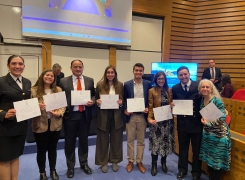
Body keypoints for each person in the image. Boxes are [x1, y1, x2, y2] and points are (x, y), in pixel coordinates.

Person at [59, 59, 95, 178]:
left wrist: (93, 101)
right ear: (71, 68)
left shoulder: (89, 80)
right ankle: (70, 166)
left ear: (83, 68)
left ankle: (84, 164)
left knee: (84, 141)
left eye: (80, 67)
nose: (78, 69)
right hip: (70, 116)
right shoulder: (63, 81)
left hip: (85, 115)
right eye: (75, 67)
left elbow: (94, 95)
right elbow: (60, 98)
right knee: (69, 142)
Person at [0, 55, 31, 180]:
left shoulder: (27, 82)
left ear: (24, 66)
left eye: (20, 64)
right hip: (4, 128)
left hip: (21, 127)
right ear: (8, 66)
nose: (17, 66)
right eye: (14, 63)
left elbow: (26, 100)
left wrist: (35, 105)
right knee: (4, 159)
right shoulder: (1, 82)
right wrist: (3, 114)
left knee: (16, 155)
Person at [31, 69, 66, 180]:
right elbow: (28, 107)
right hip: (40, 124)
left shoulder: (58, 89)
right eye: (47, 75)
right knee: (41, 150)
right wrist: (37, 106)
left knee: (52, 149)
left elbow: (63, 106)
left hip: (55, 124)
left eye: (51, 76)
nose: (49, 77)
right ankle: (42, 172)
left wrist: (59, 113)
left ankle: (53, 170)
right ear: (42, 76)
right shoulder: (34, 90)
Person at [171, 66, 203, 180]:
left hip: (197, 124)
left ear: (189, 74)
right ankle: (182, 170)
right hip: (183, 124)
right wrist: (172, 106)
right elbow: (172, 102)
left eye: (185, 74)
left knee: (196, 149)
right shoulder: (174, 88)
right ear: (178, 76)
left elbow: (207, 100)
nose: (183, 77)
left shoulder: (199, 86)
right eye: (181, 75)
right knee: (183, 149)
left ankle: (196, 172)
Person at [198, 79, 231, 180]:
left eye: (207, 87)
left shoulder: (216, 100)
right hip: (208, 135)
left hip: (219, 136)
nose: (205, 89)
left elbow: (222, 118)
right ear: (200, 89)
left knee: (216, 163)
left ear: (211, 88)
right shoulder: (202, 101)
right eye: (203, 87)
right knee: (210, 161)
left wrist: (207, 123)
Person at [123, 63, 152, 174]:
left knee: (141, 140)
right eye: (136, 70)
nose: (138, 72)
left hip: (142, 116)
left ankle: (139, 161)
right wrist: (125, 110)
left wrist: (148, 108)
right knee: (130, 140)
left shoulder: (148, 84)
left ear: (143, 72)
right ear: (133, 71)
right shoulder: (127, 84)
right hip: (131, 116)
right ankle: (130, 161)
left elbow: (150, 100)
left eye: (140, 70)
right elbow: (124, 99)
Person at [95, 65, 124, 173]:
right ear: (105, 74)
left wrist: (121, 103)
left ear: (115, 74)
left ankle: (115, 160)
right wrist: (97, 102)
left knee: (116, 139)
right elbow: (95, 98)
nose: (110, 74)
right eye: (108, 72)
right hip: (103, 115)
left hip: (116, 115)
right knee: (102, 140)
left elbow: (124, 100)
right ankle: (103, 162)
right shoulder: (99, 84)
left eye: (112, 72)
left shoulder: (120, 85)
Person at [147, 71, 174, 176]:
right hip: (156, 121)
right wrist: (149, 118)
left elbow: (171, 105)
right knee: (155, 143)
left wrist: (172, 106)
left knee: (165, 143)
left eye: (163, 78)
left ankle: (164, 163)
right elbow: (150, 106)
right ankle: (154, 164)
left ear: (165, 79)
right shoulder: (151, 91)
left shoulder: (169, 90)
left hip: (167, 122)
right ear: (156, 80)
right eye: (159, 79)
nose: (161, 80)